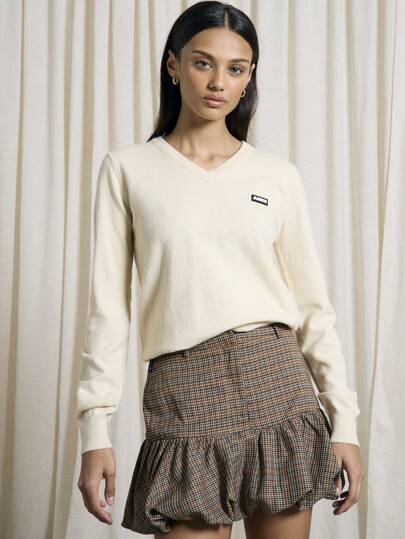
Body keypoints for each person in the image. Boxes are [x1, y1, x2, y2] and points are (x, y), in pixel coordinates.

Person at [76, 2, 364, 537]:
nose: (218, 82)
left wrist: (343, 420)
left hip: (277, 382)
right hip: (183, 390)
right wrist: (95, 430)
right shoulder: (128, 169)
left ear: (249, 77)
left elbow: (312, 308)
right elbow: (108, 310)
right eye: (202, 62)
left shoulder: (276, 175)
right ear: (173, 65)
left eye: (236, 68)